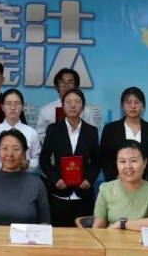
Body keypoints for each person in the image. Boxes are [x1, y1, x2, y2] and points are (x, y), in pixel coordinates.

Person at [39, 88, 101, 227]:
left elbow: (97, 161)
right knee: (59, 235)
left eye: (77, 102)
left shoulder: (91, 131)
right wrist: (55, 179)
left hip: (83, 193)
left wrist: (90, 179)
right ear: (62, 105)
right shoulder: (53, 129)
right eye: (68, 102)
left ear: (83, 106)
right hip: (59, 193)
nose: (72, 105)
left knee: (83, 235)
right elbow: (44, 159)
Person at [0, 129, 50, 226]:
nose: (9, 154)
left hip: (27, 236)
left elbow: (44, 222)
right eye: (4, 148)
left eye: (15, 149)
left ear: (24, 153)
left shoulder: (36, 184)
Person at [92, 140, 148, 230]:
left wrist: (122, 224)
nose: (128, 166)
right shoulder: (106, 189)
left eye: (133, 161)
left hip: (141, 239)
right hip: (112, 238)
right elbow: (98, 227)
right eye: (122, 161)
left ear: (144, 163)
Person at [100, 87, 148, 183]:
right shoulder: (110, 129)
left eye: (137, 102)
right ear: (122, 105)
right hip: (117, 183)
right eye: (128, 102)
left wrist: (147, 177)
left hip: (146, 184)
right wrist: (116, 177)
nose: (133, 106)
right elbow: (104, 157)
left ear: (143, 105)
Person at [0, 89, 40, 173]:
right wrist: (4, 166)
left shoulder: (32, 132)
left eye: (17, 103)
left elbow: (36, 159)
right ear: (2, 107)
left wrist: (27, 165)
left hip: (23, 177)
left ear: (23, 107)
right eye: (8, 104)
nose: (13, 107)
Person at [35, 68, 96, 144]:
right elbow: (39, 135)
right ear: (56, 86)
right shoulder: (46, 110)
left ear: (76, 86)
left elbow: (91, 134)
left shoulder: (86, 110)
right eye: (62, 82)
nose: (66, 85)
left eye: (70, 82)